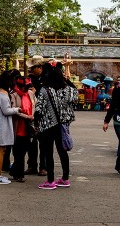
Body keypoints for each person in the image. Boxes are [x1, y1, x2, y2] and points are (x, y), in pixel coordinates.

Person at [34, 62, 77, 190]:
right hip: (63, 125)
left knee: (48, 152)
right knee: (62, 152)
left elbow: (39, 108)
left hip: (48, 126)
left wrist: (36, 123)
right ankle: (65, 178)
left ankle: (50, 181)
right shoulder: (69, 90)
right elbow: (75, 91)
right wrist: (66, 81)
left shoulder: (45, 90)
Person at [0, 70, 22, 184]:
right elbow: (6, 111)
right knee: (0, 150)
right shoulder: (3, 94)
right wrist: (17, 109)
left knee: (1, 149)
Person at [10, 72, 36, 183]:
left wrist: (32, 116)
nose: (26, 89)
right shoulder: (13, 94)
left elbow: (35, 105)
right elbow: (15, 110)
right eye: (24, 87)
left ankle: (15, 171)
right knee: (17, 152)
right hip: (17, 126)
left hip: (28, 127)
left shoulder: (30, 94)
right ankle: (19, 174)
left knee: (24, 151)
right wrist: (27, 116)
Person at [26, 55, 46, 176]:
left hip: (43, 114)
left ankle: (43, 166)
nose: (32, 70)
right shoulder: (30, 79)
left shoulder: (47, 79)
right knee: (31, 143)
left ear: (40, 67)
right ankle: (31, 165)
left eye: (34, 68)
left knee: (43, 142)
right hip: (31, 114)